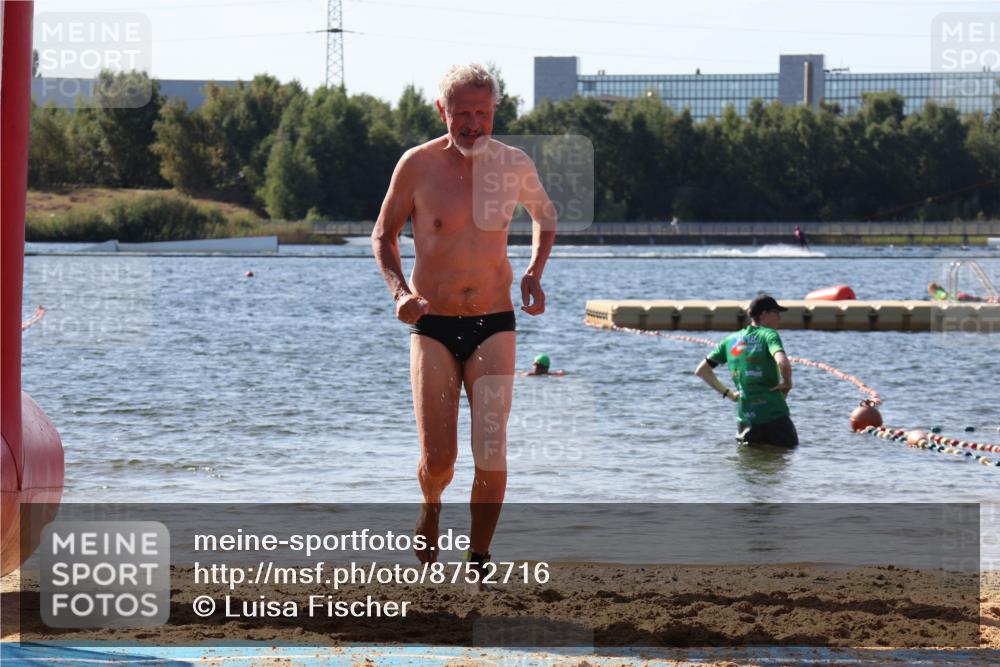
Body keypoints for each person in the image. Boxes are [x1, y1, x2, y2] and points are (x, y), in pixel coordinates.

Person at [371, 64, 557, 581]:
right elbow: (383, 235)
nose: (473, 124)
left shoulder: (513, 164)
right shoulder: (417, 165)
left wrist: (534, 272)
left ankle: (478, 558)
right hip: (432, 321)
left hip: (495, 321)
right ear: (442, 111)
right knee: (440, 460)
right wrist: (400, 292)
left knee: (491, 452)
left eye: (482, 113)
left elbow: (545, 216)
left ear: (495, 111)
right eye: (462, 114)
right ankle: (431, 504)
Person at [694, 294, 798, 448]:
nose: (779, 318)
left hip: (746, 423)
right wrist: (788, 383)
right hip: (775, 418)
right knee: (784, 458)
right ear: (763, 314)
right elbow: (783, 362)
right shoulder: (769, 334)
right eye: (776, 313)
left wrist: (729, 394)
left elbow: (701, 371)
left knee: (749, 461)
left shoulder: (730, 340)